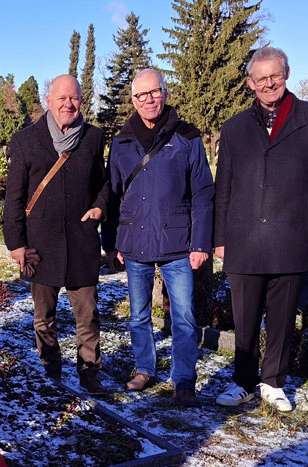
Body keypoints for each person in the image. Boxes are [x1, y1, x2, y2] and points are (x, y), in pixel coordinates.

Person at [213, 47, 308, 411]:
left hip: (291, 234)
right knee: (245, 318)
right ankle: (243, 382)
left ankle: (273, 382)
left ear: (287, 74)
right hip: (243, 237)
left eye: (275, 75)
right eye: (262, 78)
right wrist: (219, 238)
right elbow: (224, 187)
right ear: (250, 83)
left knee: (283, 317)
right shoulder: (234, 127)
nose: (269, 83)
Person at [102, 69, 214, 406]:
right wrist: (111, 245)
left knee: (184, 317)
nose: (148, 100)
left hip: (177, 244)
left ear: (164, 93)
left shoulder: (187, 137)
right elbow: (111, 194)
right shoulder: (121, 141)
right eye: (141, 95)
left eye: (154, 92)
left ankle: (184, 380)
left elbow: (203, 192)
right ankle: (144, 368)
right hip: (133, 241)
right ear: (133, 101)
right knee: (139, 315)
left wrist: (200, 243)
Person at [3, 74, 109, 394]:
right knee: (43, 316)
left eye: (74, 98)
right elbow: (14, 196)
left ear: (82, 101)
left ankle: (89, 371)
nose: (68, 104)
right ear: (48, 102)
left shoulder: (93, 137)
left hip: (81, 241)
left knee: (88, 315)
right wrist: (16, 243)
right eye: (61, 98)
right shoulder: (26, 140)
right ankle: (51, 368)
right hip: (40, 244)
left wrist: (100, 207)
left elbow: (103, 183)